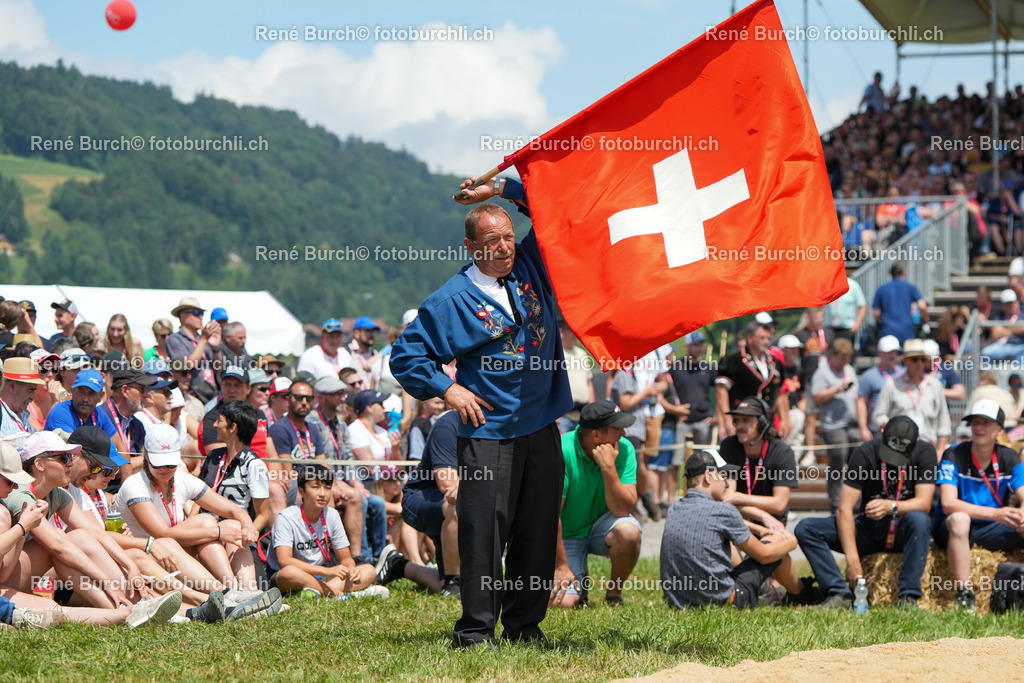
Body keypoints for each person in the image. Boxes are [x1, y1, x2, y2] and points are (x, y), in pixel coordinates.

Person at [391, 178, 572, 649]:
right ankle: (475, 632)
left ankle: (524, 627)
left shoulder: (531, 264)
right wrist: (448, 391)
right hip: (488, 432)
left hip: (541, 424)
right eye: (492, 242)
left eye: (509, 237)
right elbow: (407, 358)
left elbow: (552, 209)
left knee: (536, 528)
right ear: (471, 246)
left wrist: (500, 186)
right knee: (483, 533)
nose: (505, 248)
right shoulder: (451, 300)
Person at [114, 424, 282, 618]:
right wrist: (217, 533)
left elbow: (232, 509)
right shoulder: (134, 485)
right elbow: (160, 533)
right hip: (148, 556)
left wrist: (247, 526)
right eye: (158, 464)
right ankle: (228, 592)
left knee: (228, 524)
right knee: (205, 526)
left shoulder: (181, 479)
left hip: (171, 554)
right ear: (145, 456)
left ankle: (246, 590)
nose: (164, 469)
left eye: (170, 463)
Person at [795, 416, 937, 610]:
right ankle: (839, 593)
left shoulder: (925, 452)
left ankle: (908, 597)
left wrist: (890, 506)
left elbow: (924, 503)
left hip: (905, 530)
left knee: (920, 519)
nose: (893, 459)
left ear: (916, 443)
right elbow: (844, 508)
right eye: (889, 452)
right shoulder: (866, 452)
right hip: (871, 527)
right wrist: (852, 560)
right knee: (806, 528)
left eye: (900, 454)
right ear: (881, 434)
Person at [660, 450, 798, 609]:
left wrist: (759, 529)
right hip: (722, 602)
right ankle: (799, 595)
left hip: (678, 603)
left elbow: (718, 522)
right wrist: (791, 542)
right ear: (708, 476)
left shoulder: (674, 509)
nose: (727, 484)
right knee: (775, 540)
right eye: (723, 476)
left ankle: (773, 593)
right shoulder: (723, 512)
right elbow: (764, 556)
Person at [934, 399, 1024, 612]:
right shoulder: (953, 454)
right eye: (975, 422)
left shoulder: (1009, 457)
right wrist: (995, 514)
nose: (978, 428)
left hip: (992, 526)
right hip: (952, 528)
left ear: (999, 429)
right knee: (960, 518)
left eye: (986, 423)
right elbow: (947, 503)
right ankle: (964, 595)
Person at [551, 401, 641, 608]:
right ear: (596, 436)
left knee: (630, 532)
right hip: (565, 535)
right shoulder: (562, 450)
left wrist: (608, 467)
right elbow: (550, 516)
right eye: (617, 428)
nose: (623, 433)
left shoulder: (624, 449)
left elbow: (622, 510)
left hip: (602, 526)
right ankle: (578, 580)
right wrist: (561, 566)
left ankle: (614, 595)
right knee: (563, 602)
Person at [267, 464, 389, 600]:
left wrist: (351, 568)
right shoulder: (286, 517)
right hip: (288, 576)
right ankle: (341, 595)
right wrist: (327, 570)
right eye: (315, 487)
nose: (322, 493)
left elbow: (345, 558)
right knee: (289, 573)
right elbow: (285, 561)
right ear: (301, 492)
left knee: (369, 570)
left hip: (318, 576)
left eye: (327, 488)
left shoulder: (332, 515)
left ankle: (316, 593)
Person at [401, 409, 462, 598]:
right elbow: (448, 486)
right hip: (419, 499)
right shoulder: (448, 425)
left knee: (440, 583)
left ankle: (399, 566)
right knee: (458, 507)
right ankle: (455, 583)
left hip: (445, 502)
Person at [197, 401, 271, 534]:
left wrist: (248, 534)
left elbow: (263, 514)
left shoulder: (254, 465)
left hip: (234, 533)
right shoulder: (214, 455)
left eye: (219, 421)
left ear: (232, 428)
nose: (215, 425)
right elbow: (198, 498)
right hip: (204, 529)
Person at [716, 320, 792, 439]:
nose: (766, 342)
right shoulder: (733, 359)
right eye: (762, 338)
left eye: (768, 338)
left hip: (766, 421)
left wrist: (785, 419)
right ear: (749, 338)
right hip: (741, 421)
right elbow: (721, 391)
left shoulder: (775, 362)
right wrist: (727, 419)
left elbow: (780, 393)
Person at [810, 339, 861, 514]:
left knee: (860, 457)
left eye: (847, 358)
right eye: (841, 358)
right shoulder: (822, 373)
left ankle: (857, 499)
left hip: (851, 424)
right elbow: (816, 397)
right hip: (832, 426)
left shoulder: (849, 370)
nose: (844, 362)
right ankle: (836, 502)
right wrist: (836, 390)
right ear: (833, 355)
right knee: (838, 457)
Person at [872, 339, 951, 452]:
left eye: (923, 359)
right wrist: (892, 427)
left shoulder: (935, 385)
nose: (919, 363)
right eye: (914, 359)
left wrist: (940, 450)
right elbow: (878, 416)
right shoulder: (892, 384)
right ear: (905, 361)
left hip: (927, 446)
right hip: (898, 446)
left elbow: (944, 421)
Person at [165, 297, 222, 404]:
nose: (200, 317)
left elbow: (218, 369)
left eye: (202, 313)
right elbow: (189, 365)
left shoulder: (202, 339)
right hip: (194, 396)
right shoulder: (175, 339)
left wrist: (215, 348)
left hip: (212, 395)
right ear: (183, 316)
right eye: (196, 313)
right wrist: (204, 339)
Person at [856, 335, 903, 442]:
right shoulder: (869, 376)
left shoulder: (904, 373)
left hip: (901, 427)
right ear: (880, 352)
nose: (892, 355)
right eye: (888, 352)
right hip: (878, 428)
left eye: (895, 351)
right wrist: (863, 428)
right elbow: (861, 402)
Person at [872, 262, 927, 345]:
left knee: (889, 357)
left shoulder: (881, 289)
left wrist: (882, 323)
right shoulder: (910, 287)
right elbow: (922, 306)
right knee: (907, 356)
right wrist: (922, 318)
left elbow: (876, 314)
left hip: (887, 329)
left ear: (890, 272)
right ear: (904, 272)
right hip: (907, 329)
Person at [0, 357, 45, 442]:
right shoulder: (2, 416)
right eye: (30, 390)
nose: (33, 397)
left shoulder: (22, 413)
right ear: (11, 386)